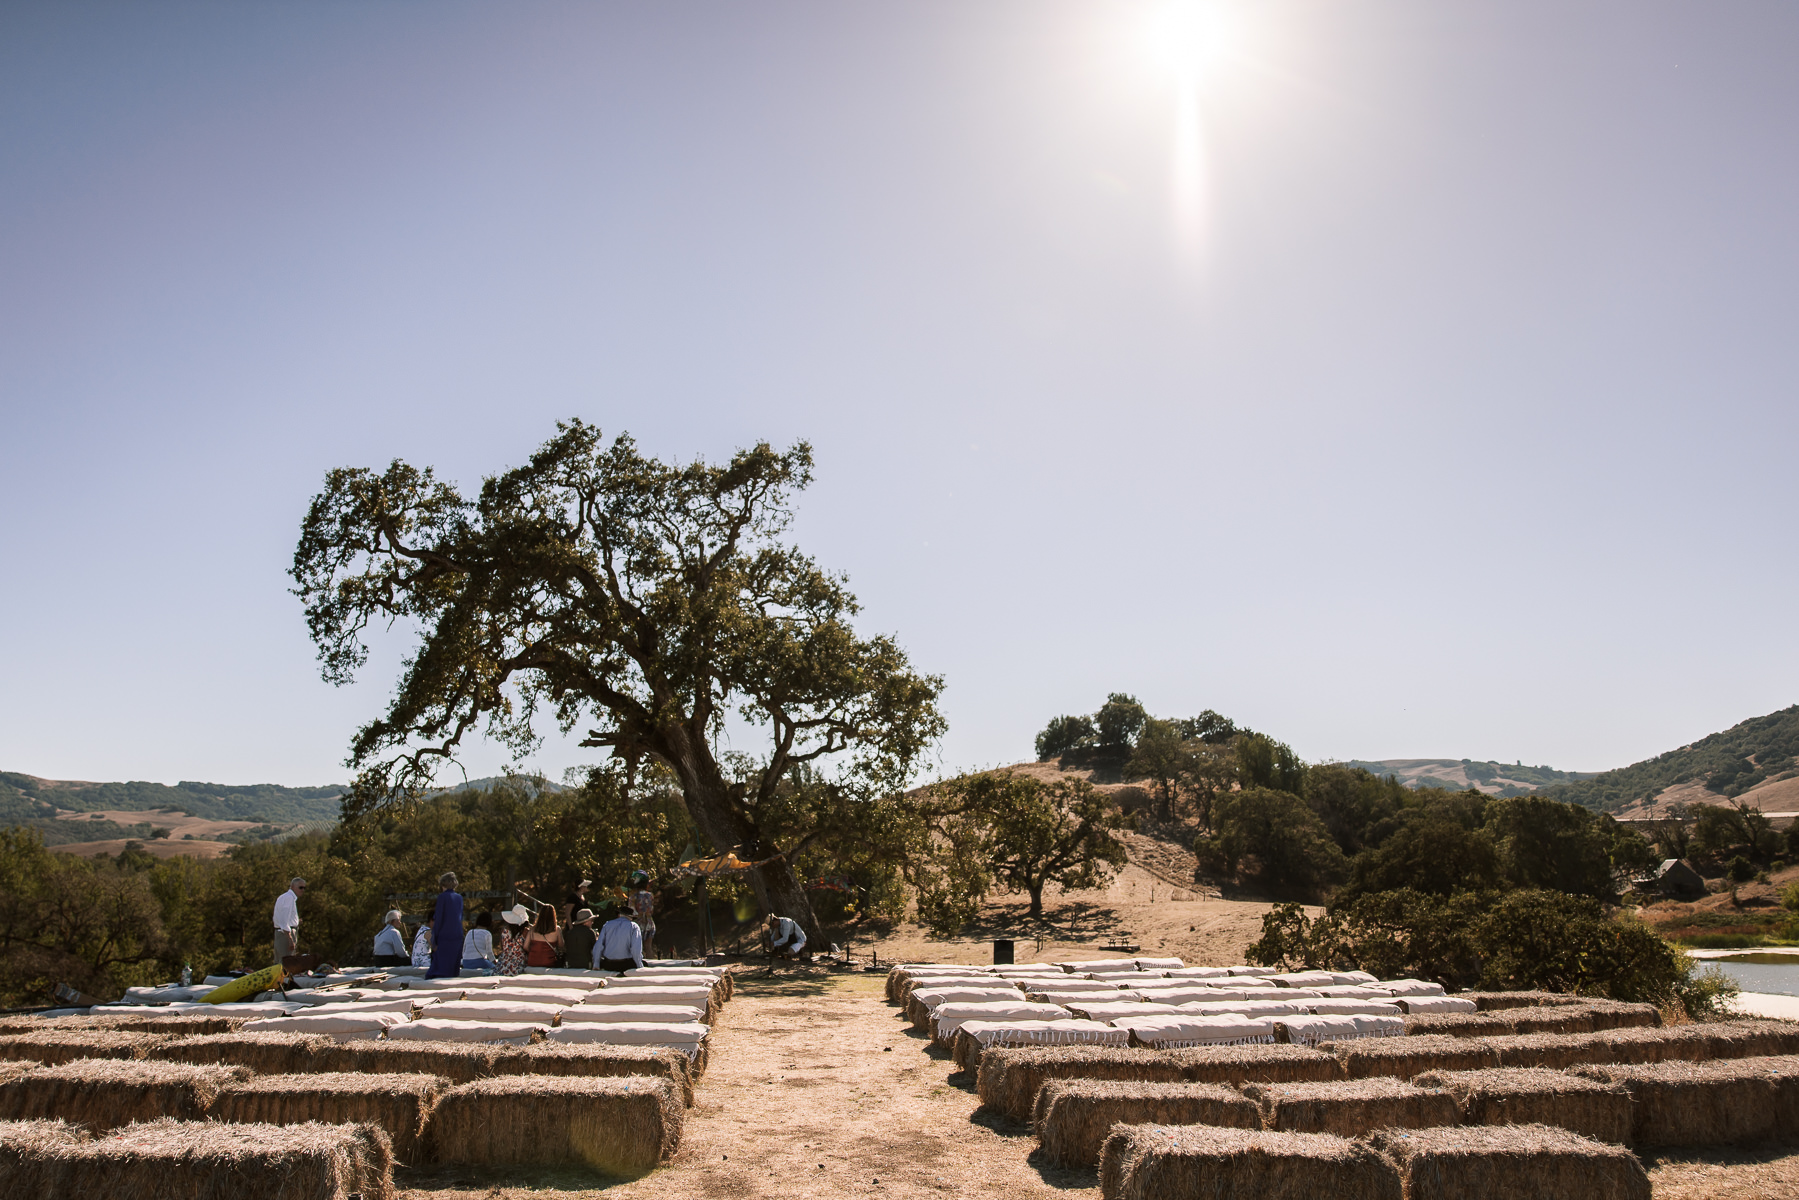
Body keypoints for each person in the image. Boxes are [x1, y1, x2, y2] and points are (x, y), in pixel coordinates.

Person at [427, 872, 464, 979]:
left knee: (440, 968)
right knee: (453, 967)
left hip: (445, 934)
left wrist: (434, 939)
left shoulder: (442, 897)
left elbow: (439, 918)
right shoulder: (459, 898)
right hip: (457, 934)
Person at [595, 904, 644, 972]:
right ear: (630, 918)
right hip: (626, 964)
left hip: (608, 964)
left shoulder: (607, 925)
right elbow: (635, 950)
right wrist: (639, 966)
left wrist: (596, 964)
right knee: (644, 964)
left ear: (618, 915)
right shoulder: (634, 927)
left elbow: (598, 946)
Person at [272, 877, 306, 964]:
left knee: (280, 962)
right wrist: (290, 939)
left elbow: (282, 917)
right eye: (300, 887)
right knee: (287, 963)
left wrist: (296, 921)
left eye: (304, 888)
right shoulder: (289, 898)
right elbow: (284, 921)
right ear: (292, 887)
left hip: (281, 933)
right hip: (285, 934)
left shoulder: (284, 897)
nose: (302, 890)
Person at [626, 870, 657, 961]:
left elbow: (632, 911)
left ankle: (639, 965)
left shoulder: (633, 896)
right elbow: (651, 910)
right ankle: (651, 965)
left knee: (638, 947)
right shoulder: (650, 895)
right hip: (649, 923)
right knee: (648, 947)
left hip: (638, 924)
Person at [496, 905, 530, 976]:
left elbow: (502, 947)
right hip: (519, 964)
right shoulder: (526, 932)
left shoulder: (504, 930)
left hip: (504, 963)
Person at [563, 908, 597, 975]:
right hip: (585, 964)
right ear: (586, 921)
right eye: (591, 920)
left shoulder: (569, 933)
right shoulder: (589, 932)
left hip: (570, 964)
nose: (592, 922)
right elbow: (595, 948)